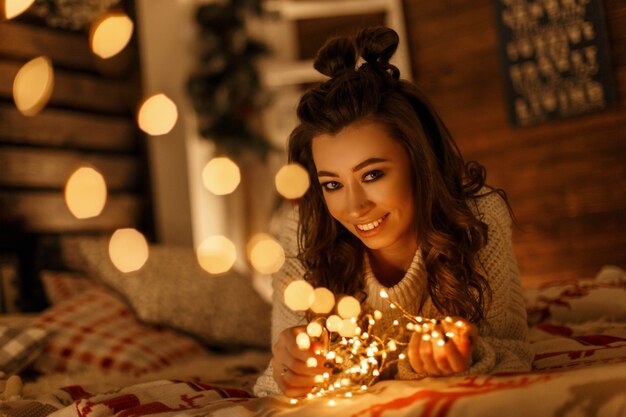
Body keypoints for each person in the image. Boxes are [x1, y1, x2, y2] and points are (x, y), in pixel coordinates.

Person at [254, 26, 532, 398]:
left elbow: (513, 353)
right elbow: (273, 384)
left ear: (420, 163)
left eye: (372, 174)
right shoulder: (301, 232)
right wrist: (289, 370)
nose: (354, 207)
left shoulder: (477, 215)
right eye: (332, 184)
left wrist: (465, 355)